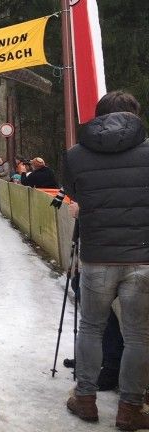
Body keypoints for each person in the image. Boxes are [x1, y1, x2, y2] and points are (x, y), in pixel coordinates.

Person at [63, 90, 149, 429]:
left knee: (91, 329)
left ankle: (85, 399)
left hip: (97, 256)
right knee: (139, 336)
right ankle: (130, 409)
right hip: (143, 257)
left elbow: (76, 195)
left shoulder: (75, 155)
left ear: (98, 116)